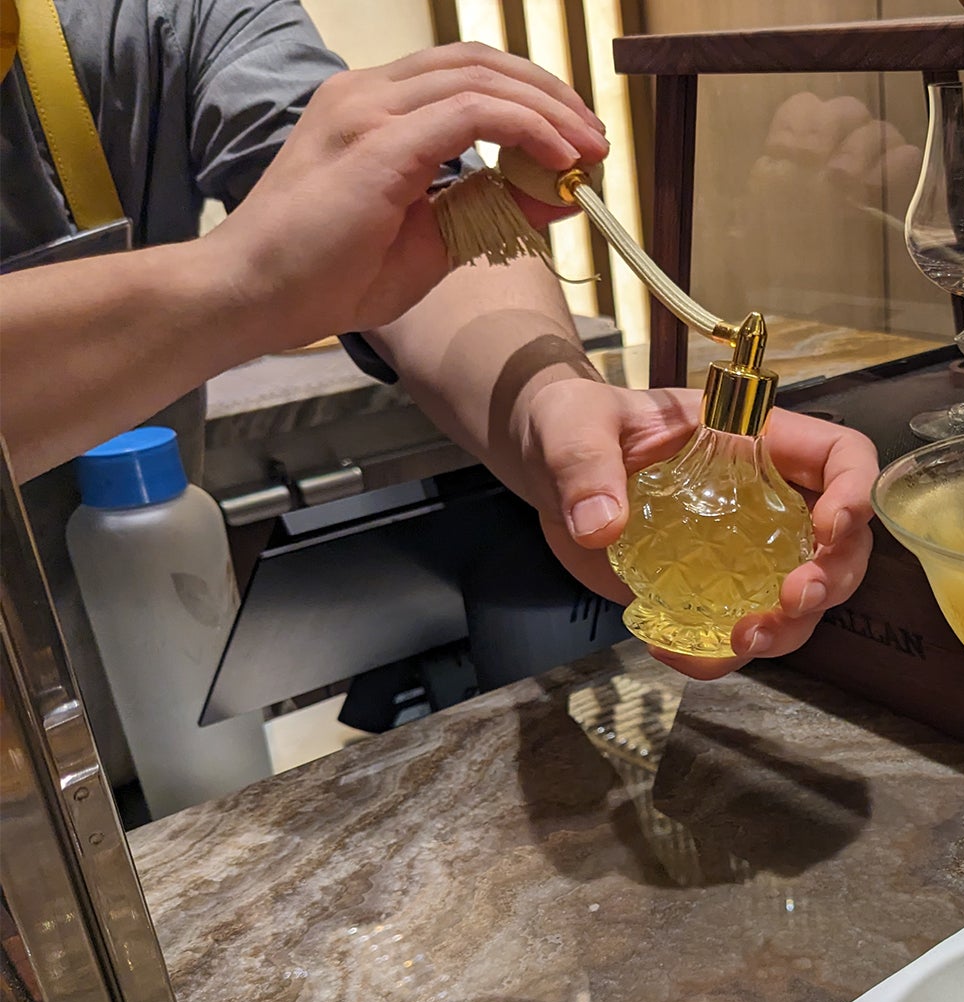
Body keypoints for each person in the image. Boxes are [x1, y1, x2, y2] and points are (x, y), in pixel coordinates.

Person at [0, 24, 877, 689]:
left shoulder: (154, 17)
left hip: (127, 673)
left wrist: (553, 409)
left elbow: (409, 232)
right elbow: (280, 264)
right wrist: (234, 283)